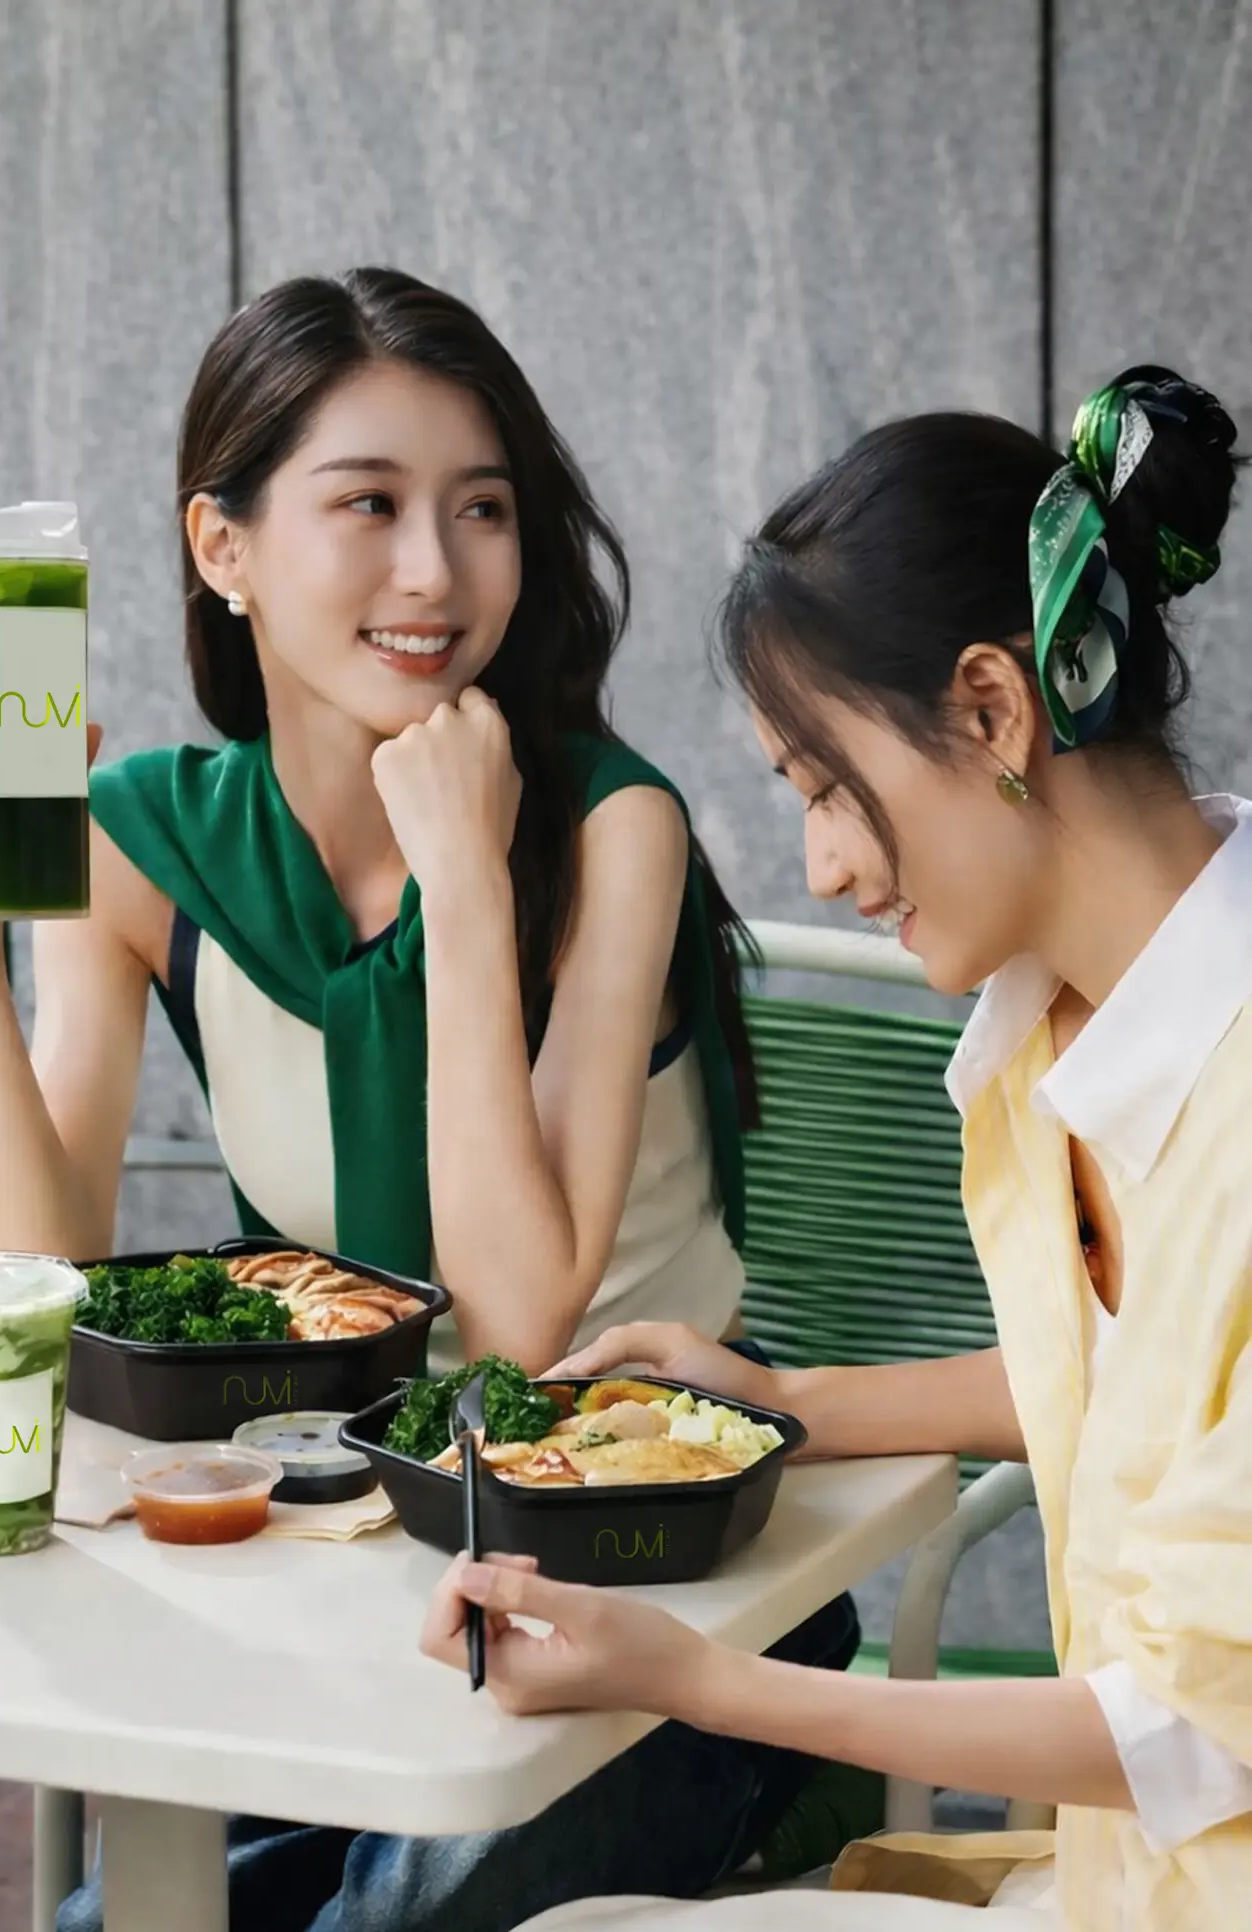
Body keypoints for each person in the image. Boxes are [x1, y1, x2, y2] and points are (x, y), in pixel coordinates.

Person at [0, 267, 860, 1932]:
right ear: (222, 550)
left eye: (483, 510)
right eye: (370, 505)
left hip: (662, 1576)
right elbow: (46, 1261)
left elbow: (526, 1316)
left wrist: (466, 888)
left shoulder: (613, 832)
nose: (436, 572)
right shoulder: (144, 836)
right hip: (339, 1560)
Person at [421, 366, 1252, 1931]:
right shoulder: (1044, 1039)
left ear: (997, 707)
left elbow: (1182, 1729)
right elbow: (1157, 1392)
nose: (820, 866)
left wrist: (702, 1683)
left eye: (829, 787)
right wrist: (795, 1404)